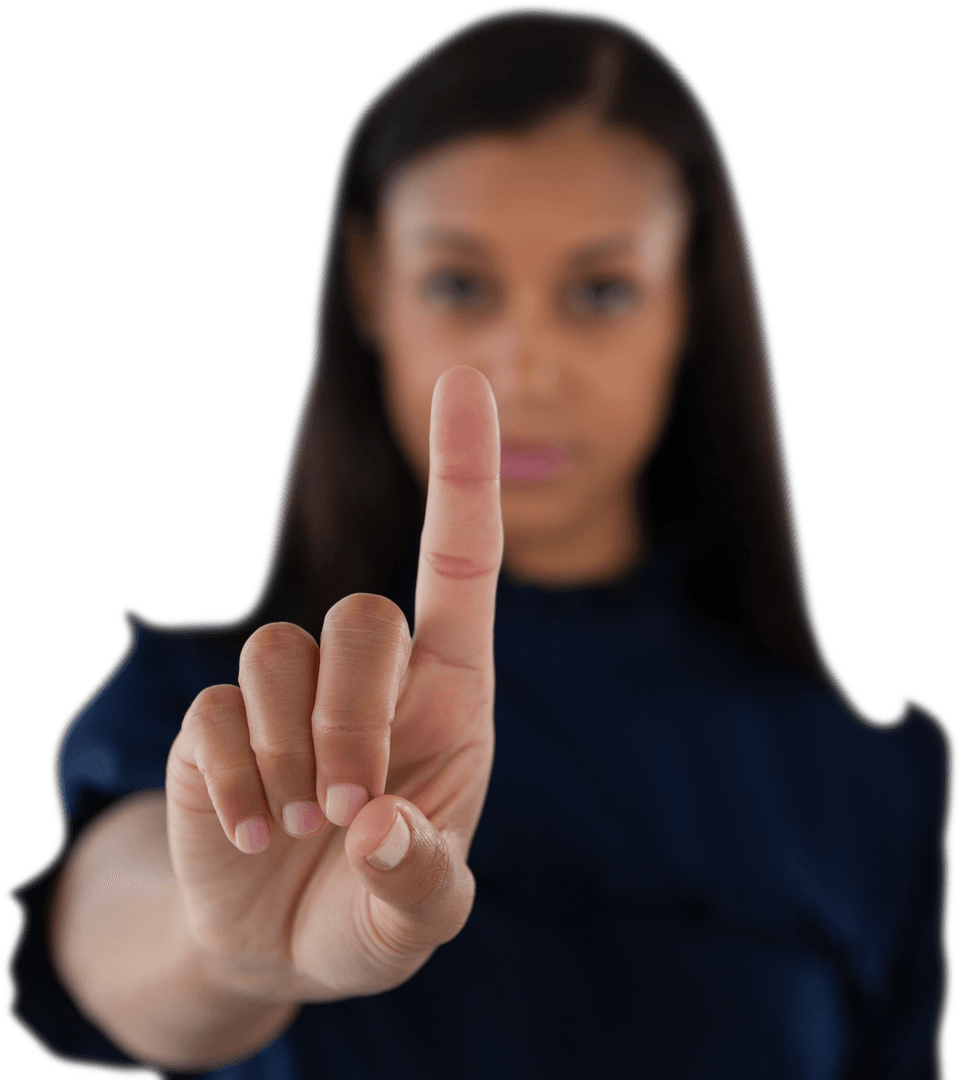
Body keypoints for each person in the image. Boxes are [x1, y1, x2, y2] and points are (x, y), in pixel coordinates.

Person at [5, 6, 953, 1078]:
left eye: (600, 290)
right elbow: (116, 920)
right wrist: (221, 956)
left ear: (687, 298)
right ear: (367, 279)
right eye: (458, 283)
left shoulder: (865, 780)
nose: (527, 366)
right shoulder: (232, 713)